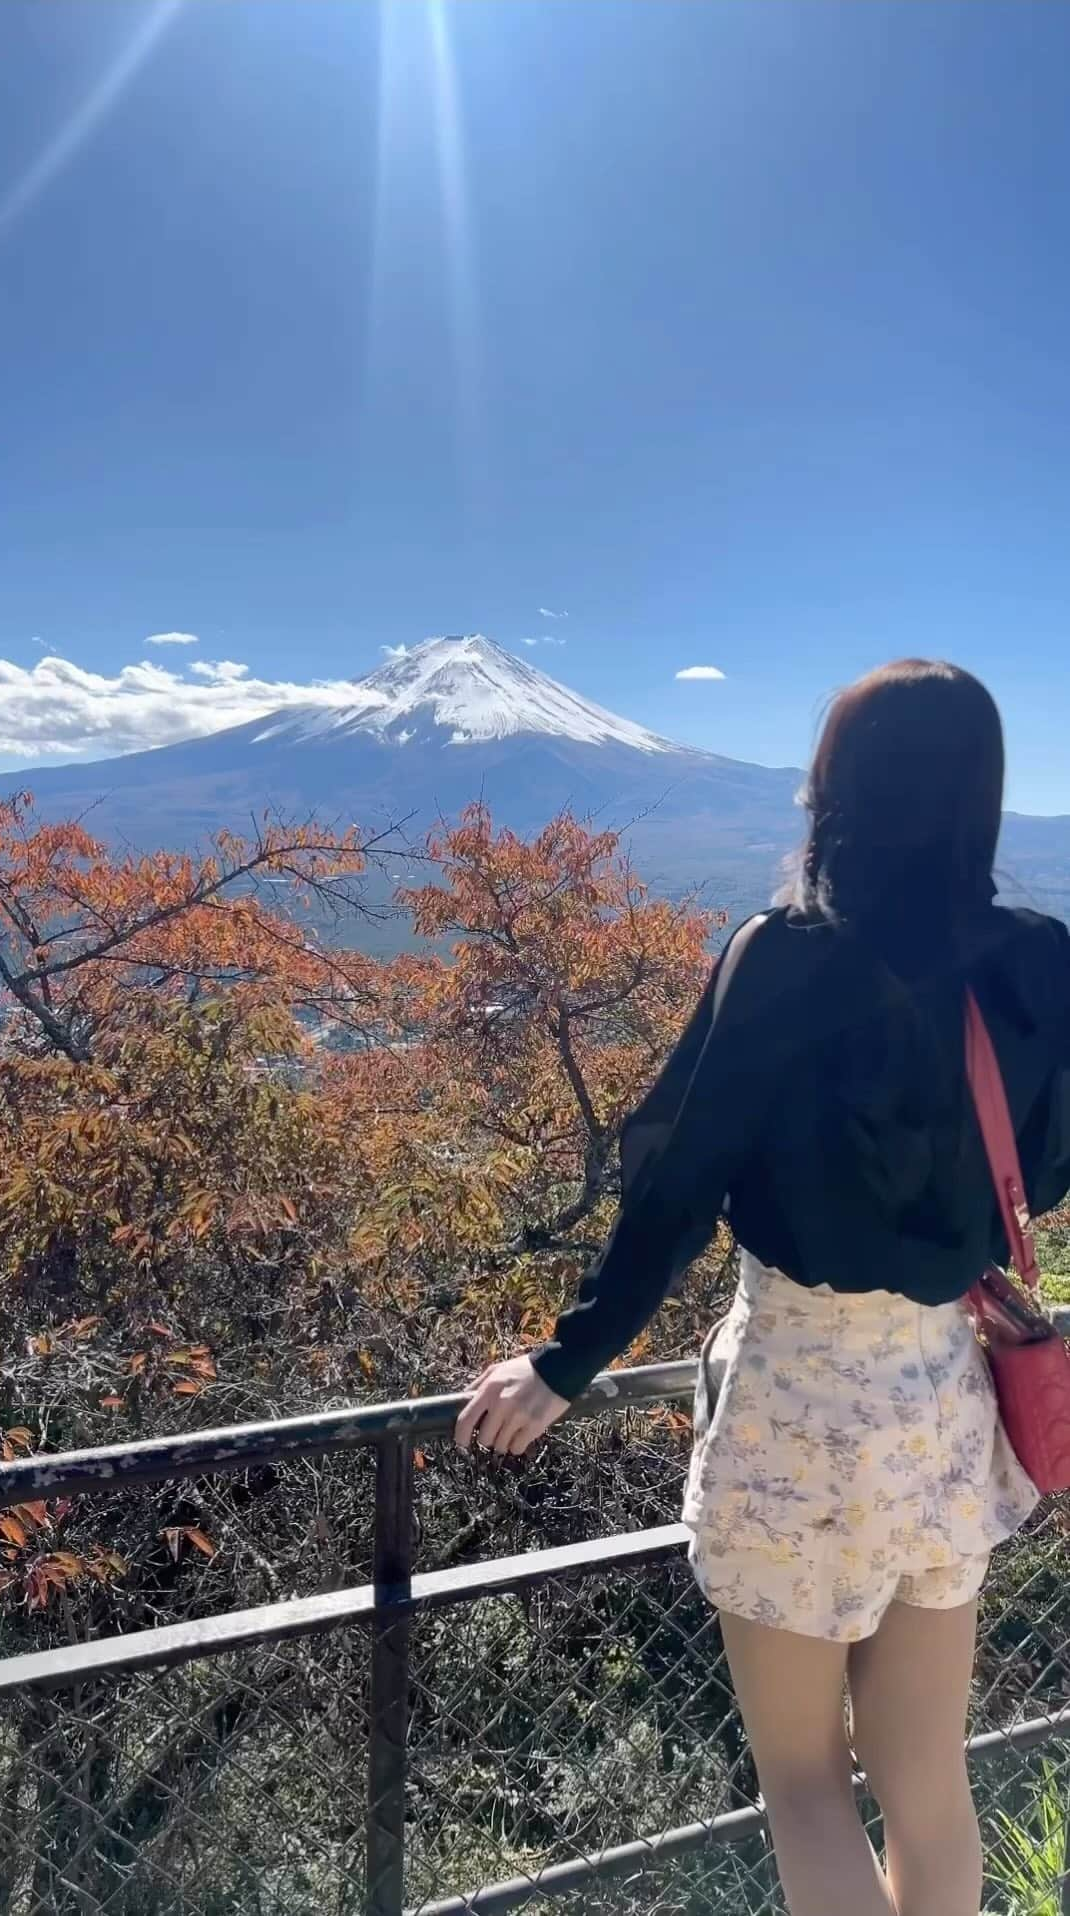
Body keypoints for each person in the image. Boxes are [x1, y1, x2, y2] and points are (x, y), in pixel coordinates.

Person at [455, 660, 1070, 1916]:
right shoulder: (1040, 958)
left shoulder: (784, 954)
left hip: (798, 1397)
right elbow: (1045, 1167)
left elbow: (675, 1187)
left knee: (801, 1781)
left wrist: (565, 1361)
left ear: (837, 788)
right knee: (928, 1779)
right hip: (948, 1401)